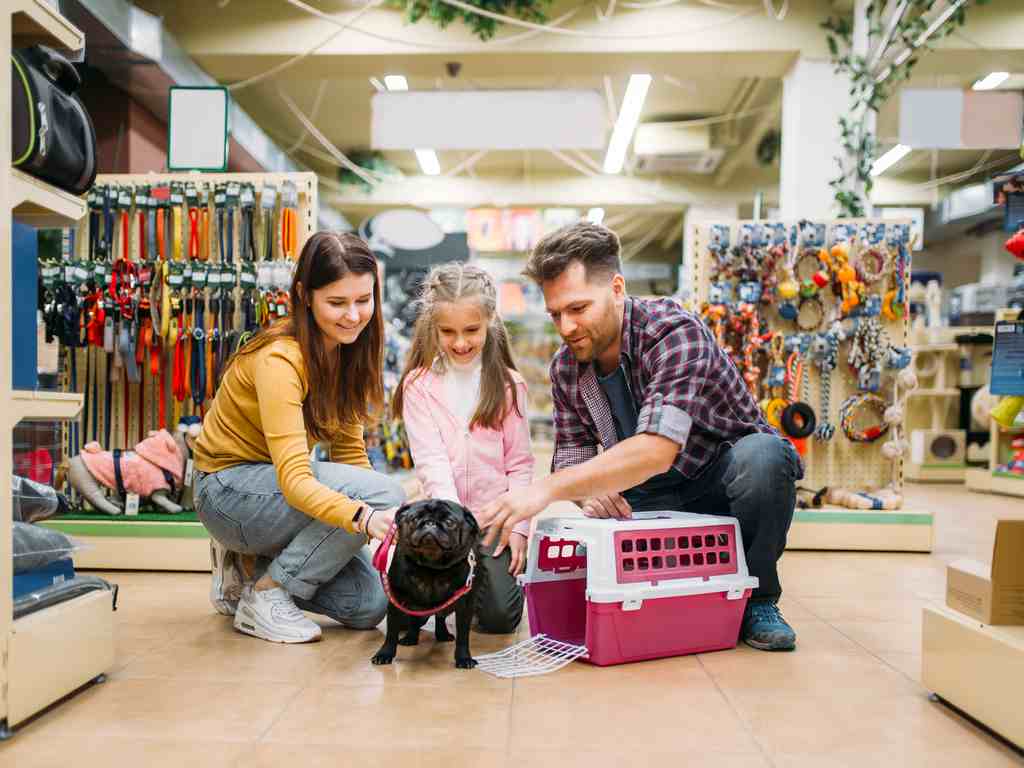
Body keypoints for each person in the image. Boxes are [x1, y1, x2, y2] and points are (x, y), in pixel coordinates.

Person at [477, 222, 803, 651]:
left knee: (765, 458)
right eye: (556, 313)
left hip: (717, 479)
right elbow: (571, 454)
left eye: (578, 308)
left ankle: (759, 597)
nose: (566, 326)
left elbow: (656, 449)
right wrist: (585, 494)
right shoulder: (566, 368)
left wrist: (547, 490)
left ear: (616, 288)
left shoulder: (673, 331)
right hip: (645, 497)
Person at [193, 232, 405, 644]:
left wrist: (362, 536)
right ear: (305, 295)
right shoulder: (280, 359)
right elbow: (295, 480)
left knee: (370, 603)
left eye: (364, 300)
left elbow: (350, 457)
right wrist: (364, 514)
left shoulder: (349, 352)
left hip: (269, 495)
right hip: (225, 491)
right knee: (385, 494)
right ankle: (269, 594)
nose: (354, 316)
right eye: (337, 303)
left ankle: (247, 573)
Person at [394, 262, 533, 634]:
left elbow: (520, 464)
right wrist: (450, 530)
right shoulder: (418, 386)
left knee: (499, 619)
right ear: (432, 329)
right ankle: (457, 584)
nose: (460, 342)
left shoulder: (508, 385)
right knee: (409, 612)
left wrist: (518, 527)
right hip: (440, 523)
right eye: (448, 332)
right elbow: (431, 462)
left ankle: (485, 582)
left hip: (493, 521)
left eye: (471, 330)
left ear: (490, 321)